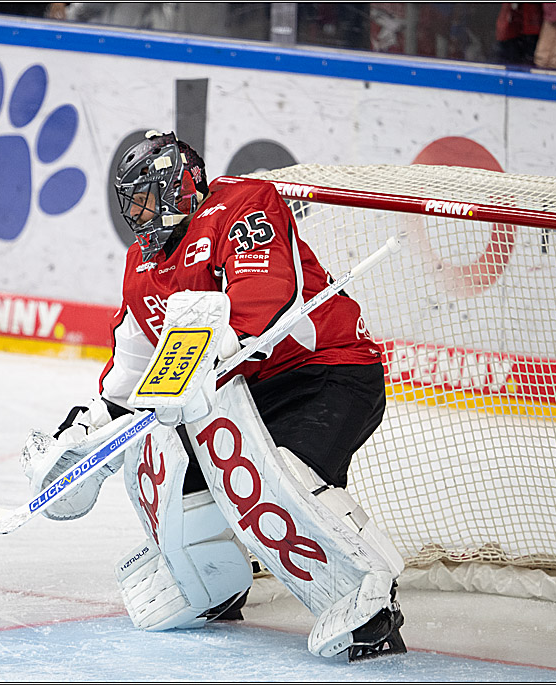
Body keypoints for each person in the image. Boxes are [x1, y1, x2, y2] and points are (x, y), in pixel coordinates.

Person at [22, 131, 405, 661]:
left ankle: (371, 601)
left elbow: (264, 296)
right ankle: (212, 581)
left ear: (181, 187)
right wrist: (90, 432)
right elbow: (133, 364)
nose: (136, 213)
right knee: (167, 469)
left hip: (324, 372)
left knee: (277, 479)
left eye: (146, 198)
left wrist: (207, 356)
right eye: (129, 201)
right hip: (239, 396)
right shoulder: (141, 264)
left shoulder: (244, 205)